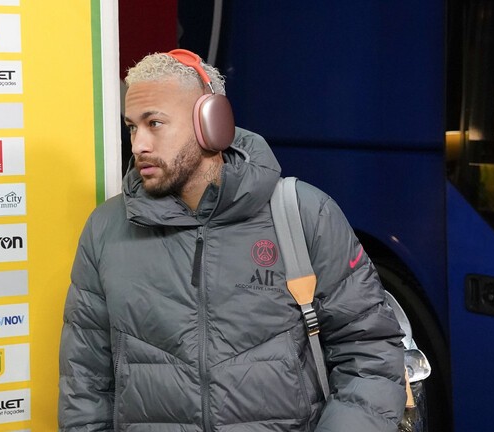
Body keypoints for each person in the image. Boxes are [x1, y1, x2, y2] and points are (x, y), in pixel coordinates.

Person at [58, 49, 406, 431]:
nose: (138, 144)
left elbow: (369, 354)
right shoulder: (106, 230)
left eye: (154, 123)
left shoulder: (305, 214)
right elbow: (85, 385)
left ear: (212, 124)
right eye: (131, 127)